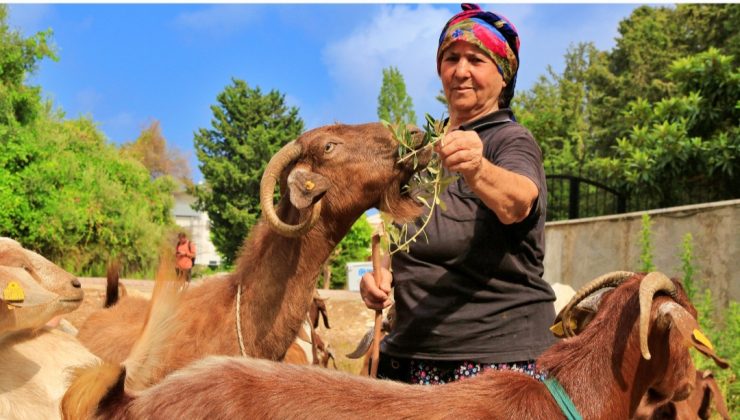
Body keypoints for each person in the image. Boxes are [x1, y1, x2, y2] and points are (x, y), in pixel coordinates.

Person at [360, 3, 556, 385]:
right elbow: (405, 238)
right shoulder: (422, 152)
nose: (461, 70)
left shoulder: (510, 139)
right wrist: (379, 278)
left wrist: (479, 168)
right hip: (409, 358)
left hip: (494, 365)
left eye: (476, 60)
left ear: (503, 77)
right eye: (451, 58)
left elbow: (519, 202)